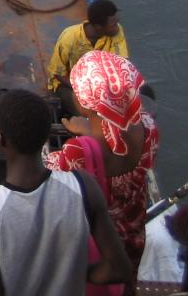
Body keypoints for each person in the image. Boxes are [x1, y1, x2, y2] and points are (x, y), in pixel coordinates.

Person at [0, 89, 133, 296]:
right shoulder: (84, 187)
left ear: (0, 138)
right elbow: (119, 269)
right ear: (45, 137)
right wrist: (72, 272)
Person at [46, 51, 160, 286]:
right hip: (132, 242)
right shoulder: (149, 129)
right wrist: (92, 130)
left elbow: (46, 170)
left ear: (85, 102)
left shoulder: (77, 152)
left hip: (99, 252)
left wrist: (86, 136)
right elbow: (116, 144)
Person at [46, 0, 130, 112]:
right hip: (68, 84)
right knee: (87, 113)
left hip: (99, 85)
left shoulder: (116, 32)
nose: (117, 26)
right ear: (99, 27)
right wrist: (86, 91)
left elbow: (120, 64)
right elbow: (58, 74)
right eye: (113, 24)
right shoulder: (69, 38)